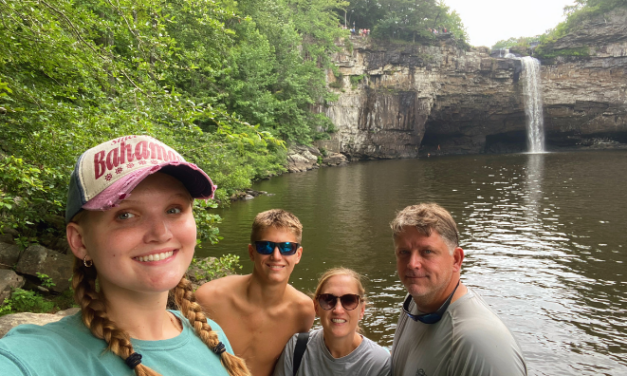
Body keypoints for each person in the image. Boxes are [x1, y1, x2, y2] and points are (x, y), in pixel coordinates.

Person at [0, 135, 250, 376]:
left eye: (173, 209)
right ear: (80, 241)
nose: (160, 233)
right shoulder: (36, 357)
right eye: (125, 215)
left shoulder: (210, 335)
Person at [390, 203, 527, 376]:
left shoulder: (479, 344)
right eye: (404, 252)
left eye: (427, 251)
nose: (412, 264)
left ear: (456, 259)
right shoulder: (414, 301)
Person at [196, 209, 315, 376]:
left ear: (298, 255)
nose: (276, 256)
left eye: (287, 248)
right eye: (266, 246)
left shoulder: (303, 311)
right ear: (252, 252)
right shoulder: (209, 297)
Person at [273, 268, 390, 376]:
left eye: (349, 300)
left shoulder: (379, 363)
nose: (338, 310)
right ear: (316, 307)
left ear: (362, 310)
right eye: (328, 300)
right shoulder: (296, 348)